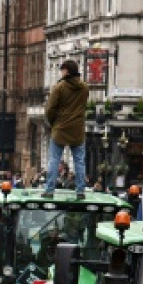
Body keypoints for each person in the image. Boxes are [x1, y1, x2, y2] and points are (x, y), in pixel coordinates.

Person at [43, 60, 88, 193]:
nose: (61, 73)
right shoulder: (85, 87)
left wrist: (53, 123)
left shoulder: (59, 87)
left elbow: (50, 109)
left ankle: (50, 189)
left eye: (62, 70)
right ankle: (80, 190)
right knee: (79, 161)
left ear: (67, 71)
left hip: (60, 127)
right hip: (77, 129)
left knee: (54, 160)